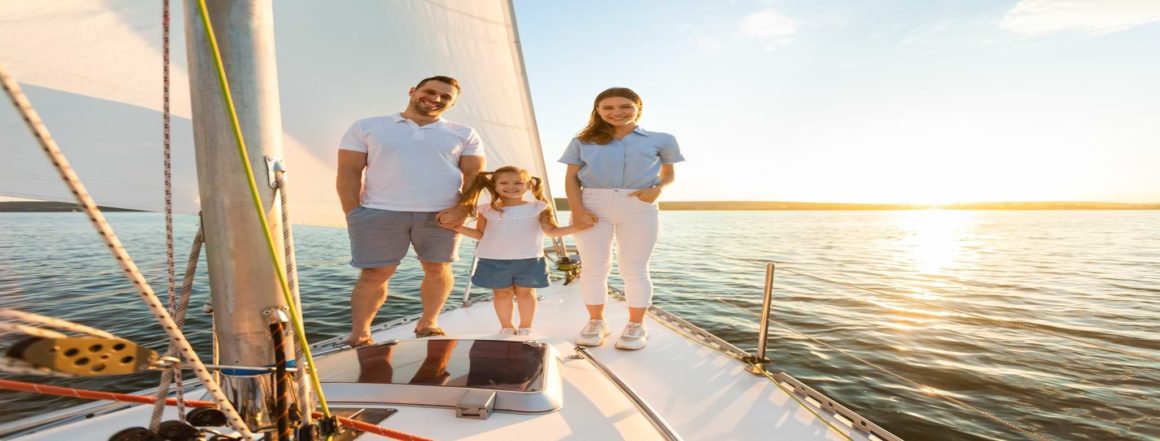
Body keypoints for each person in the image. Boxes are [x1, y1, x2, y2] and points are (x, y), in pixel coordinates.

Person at [337, 75, 485, 346]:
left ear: (451, 104)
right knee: (374, 273)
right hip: (378, 211)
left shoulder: (464, 133)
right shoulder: (367, 127)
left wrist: (462, 211)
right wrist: (353, 213)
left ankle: (428, 323)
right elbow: (348, 171)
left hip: (441, 214)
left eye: (445, 97)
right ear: (413, 91)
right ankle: (360, 334)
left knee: (437, 268)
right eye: (430, 91)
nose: (436, 98)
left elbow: (475, 176)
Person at [559, 87, 684, 350]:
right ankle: (596, 322)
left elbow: (669, 173)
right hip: (592, 204)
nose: (617, 112)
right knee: (593, 267)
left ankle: (636, 325)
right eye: (608, 108)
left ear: (639, 106)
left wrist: (658, 189)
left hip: (638, 205)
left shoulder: (662, 139)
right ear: (598, 111)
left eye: (625, 106)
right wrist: (578, 209)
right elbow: (571, 178)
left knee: (635, 268)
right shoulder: (582, 141)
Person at [449, 166, 591, 336]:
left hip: (529, 259)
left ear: (529, 185)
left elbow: (551, 231)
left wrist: (576, 227)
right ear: (495, 185)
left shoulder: (538, 207)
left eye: (518, 182)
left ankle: (526, 326)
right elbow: (480, 234)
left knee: (526, 293)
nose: (511, 186)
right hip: (494, 260)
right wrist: (457, 227)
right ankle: (506, 326)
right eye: (504, 182)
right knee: (502, 294)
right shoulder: (486, 210)